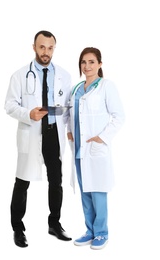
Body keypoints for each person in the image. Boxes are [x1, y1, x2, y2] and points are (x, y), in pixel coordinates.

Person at [4, 30, 72, 248]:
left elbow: (67, 108)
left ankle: (55, 223)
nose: (46, 52)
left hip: (54, 133)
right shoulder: (20, 75)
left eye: (50, 48)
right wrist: (28, 114)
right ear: (34, 47)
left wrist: (69, 128)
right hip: (31, 132)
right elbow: (10, 105)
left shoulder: (64, 75)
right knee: (22, 181)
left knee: (56, 181)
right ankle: (18, 228)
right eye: (42, 47)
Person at [67, 47, 125, 250]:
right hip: (78, 149)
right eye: (83, 62)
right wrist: (68, 130)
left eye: (91, 62)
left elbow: (119, 116)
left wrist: (103, 137)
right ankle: (89, 231)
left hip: (95, 148)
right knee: (85, 192)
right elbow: (70, 114)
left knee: (98, 191)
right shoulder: (76, 88)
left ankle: (101, 233)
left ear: (100, 64)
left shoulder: (106, 86)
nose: (87, 66)